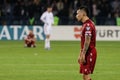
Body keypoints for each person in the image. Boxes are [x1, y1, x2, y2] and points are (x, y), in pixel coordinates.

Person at [76, 6, 97, 80]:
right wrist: (80, 54)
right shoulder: (86, 24)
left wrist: (83, 54)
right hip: (86, 52)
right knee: (85, 76)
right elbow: (83, 42)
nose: (76, 16)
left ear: (83, 14)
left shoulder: (88, 25)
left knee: (87, 76)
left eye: (78, 13)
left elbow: (87, 41)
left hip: (89, 52)